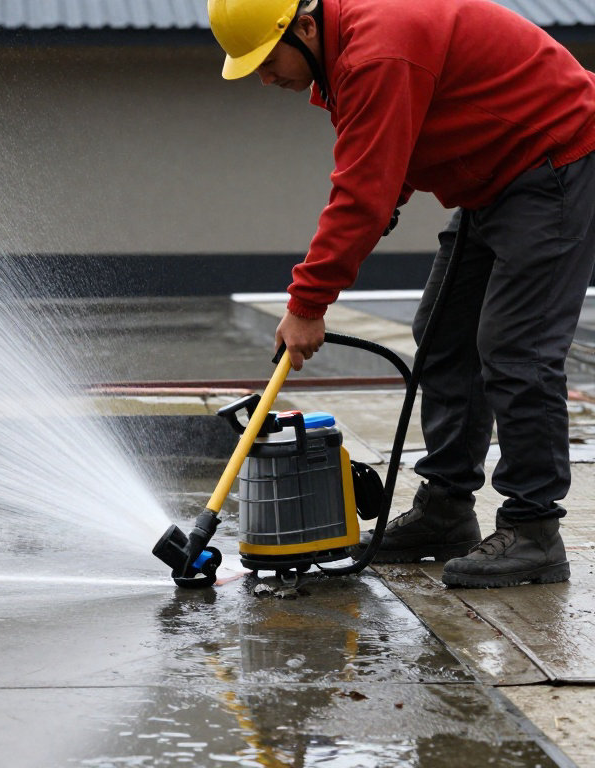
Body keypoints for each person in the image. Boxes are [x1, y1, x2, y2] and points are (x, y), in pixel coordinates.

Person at [207, 0, 595, 586]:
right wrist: (380, 202)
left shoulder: (376, 51)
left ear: (306, 27)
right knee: (441, 333)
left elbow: (362, 189)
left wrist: (307, 305)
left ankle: (534, 533)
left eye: (266, 59)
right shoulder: (350, 54)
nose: (264, 77)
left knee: (516, 350)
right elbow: (394, 154)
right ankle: (445, 512)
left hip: (556, 161)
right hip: (494, 177)